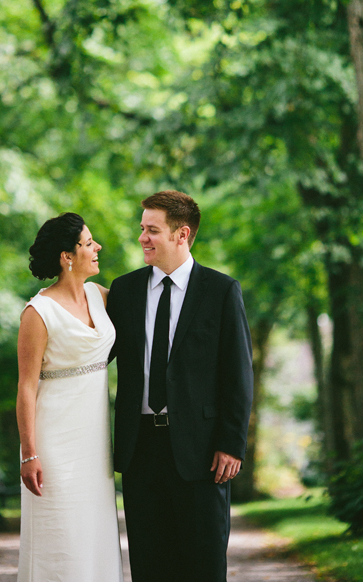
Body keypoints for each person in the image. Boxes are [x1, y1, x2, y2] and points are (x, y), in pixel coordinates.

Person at [106, 190, 253, 582]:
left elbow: (238, 374)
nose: (142, 239)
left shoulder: (222, 291)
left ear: (181, 234)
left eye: (152, 231)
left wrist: (231, 443)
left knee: (202, 565)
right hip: (140, 452)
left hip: (203, 452)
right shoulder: (124, 291)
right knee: (150, 566)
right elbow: (94, 357)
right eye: (141, 229)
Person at [16, 213, 123, 582]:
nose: (98, 248)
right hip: (53, 443)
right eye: (89, 243)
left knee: (93, 536)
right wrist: (29, 452)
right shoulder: (38, 312)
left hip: (94, 442)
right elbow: (26, 387)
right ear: (68, 256)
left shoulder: (101, 297)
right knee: (60, 537)